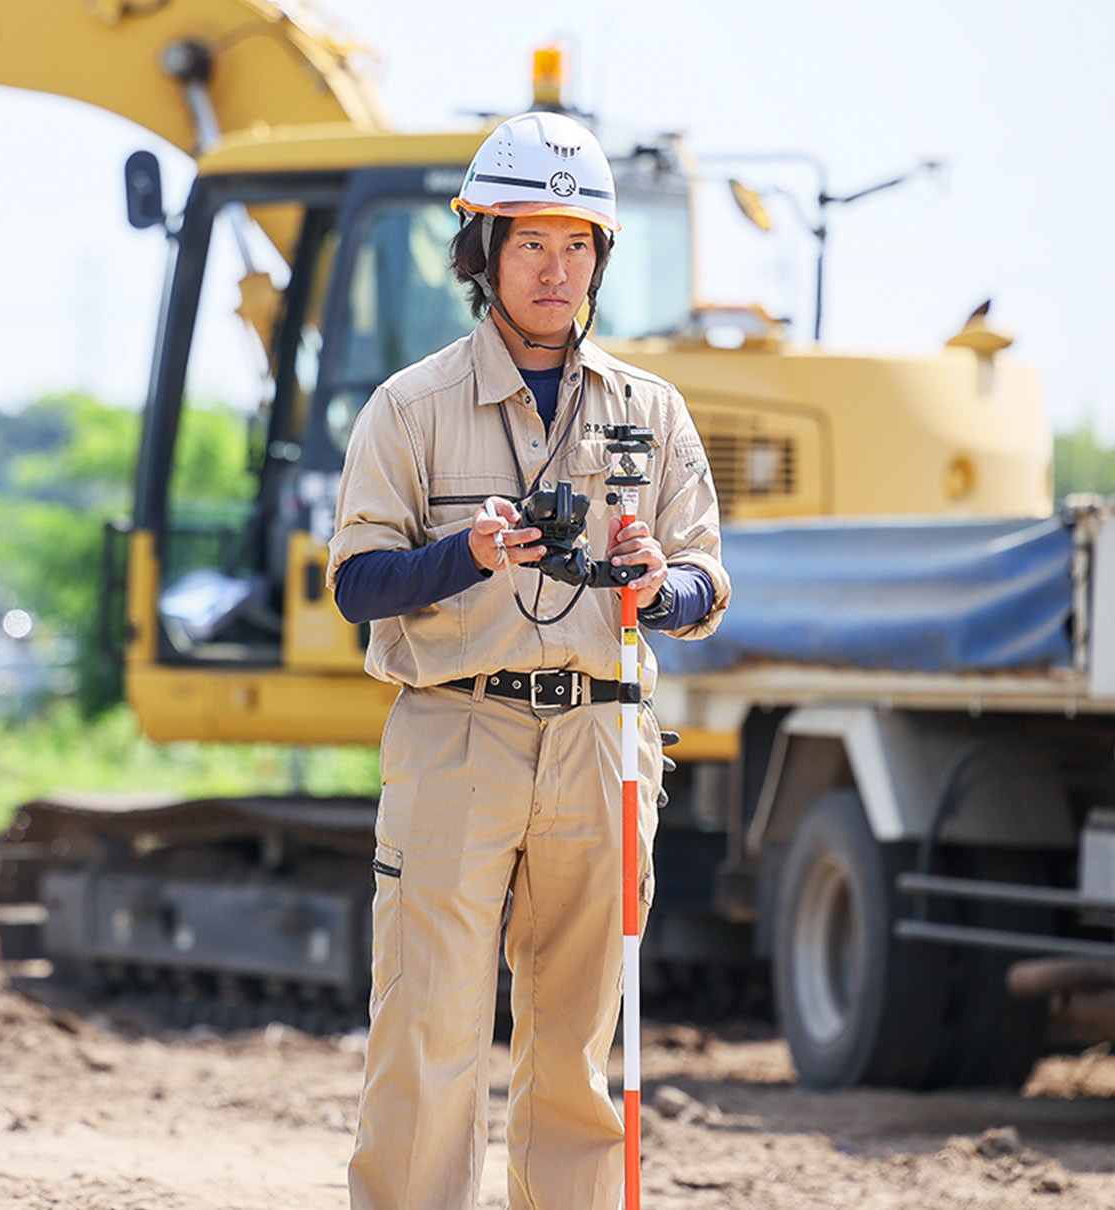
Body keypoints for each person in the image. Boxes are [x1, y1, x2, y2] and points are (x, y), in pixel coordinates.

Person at [327, 111, 730, 1210]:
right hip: (457, 733)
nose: (557, 270)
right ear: (482, 252)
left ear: (600, 255)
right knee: (427, 1037)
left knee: (576, 1054)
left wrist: (660, 583)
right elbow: (356, 582)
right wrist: (465, 554)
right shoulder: (407, 408)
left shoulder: (653, 410)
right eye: (530, 244)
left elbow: (705, 584)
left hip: (603, 744)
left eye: (577, 244)